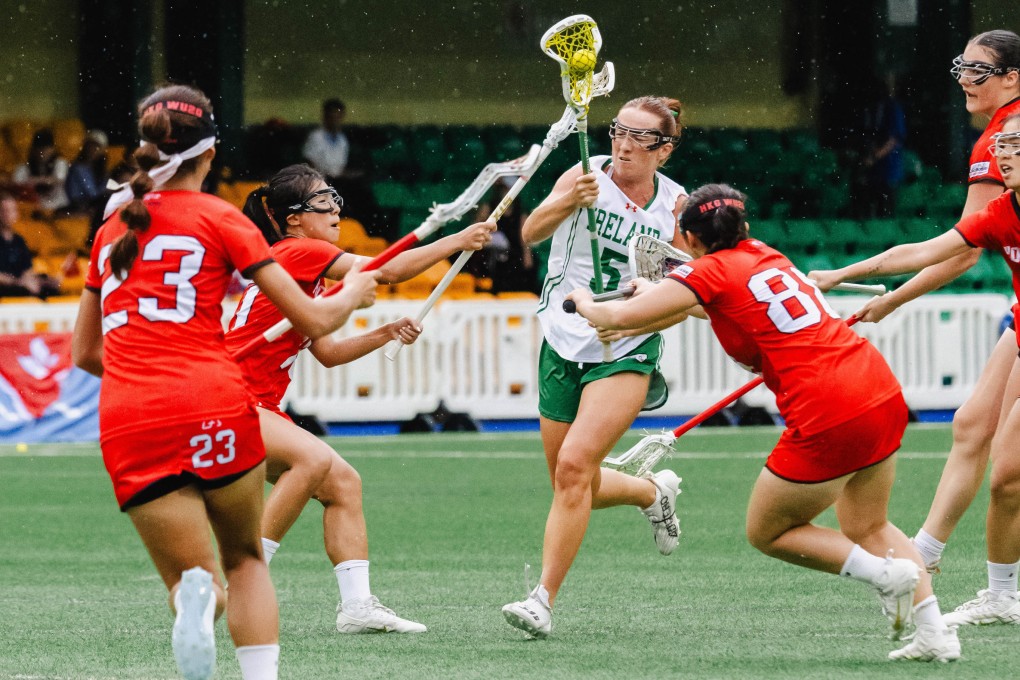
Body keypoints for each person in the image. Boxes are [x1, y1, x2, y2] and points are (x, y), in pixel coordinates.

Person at [569, 183, 960, 661]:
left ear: (690, 238)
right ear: (743, 227)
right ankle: (934, 631)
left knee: (768, 531)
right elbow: (716, 300)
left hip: (826, 407)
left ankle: (885, 576)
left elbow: (619, 318)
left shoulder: (706, 270)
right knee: (869, 522)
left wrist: (583, 300)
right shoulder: (762, 253)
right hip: (876, 388)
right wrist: (660, 293)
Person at [71, 85, 379, 680]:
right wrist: (356, 293)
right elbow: (314, 318)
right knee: (245, 563)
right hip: (212, 399)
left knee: (196, 574)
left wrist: (147, 375)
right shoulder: (220, 218)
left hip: (131, 412)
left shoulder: (112, 231)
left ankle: (198, 600)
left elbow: (85, 352)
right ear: (210, 155)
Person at [225, 163, 496, 634]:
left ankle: (357, 608)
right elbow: (385, 270)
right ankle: (245, 578)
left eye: (334, 198)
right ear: (293, 218)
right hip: (233, 399)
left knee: (343, 484)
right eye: (323, 202)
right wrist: (455, 240)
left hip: (257, 405)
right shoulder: (298, 252)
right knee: (309, 461)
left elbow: (326, 352)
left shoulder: (304, 274)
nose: (335, 211)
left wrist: (385, 332)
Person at [811, 112, 1020, 628]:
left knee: (1009, 471)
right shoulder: (1001, 213)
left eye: (1017, 145)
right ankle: (1000, 594)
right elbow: (923, 251)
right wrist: (843, 273)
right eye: (1003, 146)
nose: (1004, 154)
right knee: (1007, 476)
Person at [500, 96, 686, 638]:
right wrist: (568, 202)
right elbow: (531, 232)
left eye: (640, 138)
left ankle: (542, 600)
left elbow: (687, 287)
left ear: (665, 150)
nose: (624, 145)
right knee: (567, 480)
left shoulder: (673, 206)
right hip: (563, 337)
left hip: (626, 345)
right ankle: (652, 493)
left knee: (576, 468)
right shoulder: (582, 175)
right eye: (618, 132)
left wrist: (636, 313)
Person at [0, 191, 60, 299]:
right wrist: (18, 282)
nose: (8, 215)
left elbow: (27, 268)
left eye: (12, 210)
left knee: (51, 287)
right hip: (7, 287)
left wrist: (41, 281)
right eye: (5, 211)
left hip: (19, 283)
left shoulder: (19, 241)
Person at [12, 128, 70, 216]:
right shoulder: (25, 167)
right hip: (35, 209)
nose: (42, 152)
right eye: (39, 149)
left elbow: (59, 179)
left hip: (59, 207)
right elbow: (16, 182)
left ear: (53, 149)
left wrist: (35, 180)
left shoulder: (60, 163)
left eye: (46, 149)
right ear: (33, 150)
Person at [65, 129, 109, 214]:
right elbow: (92, 193)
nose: (93, 150)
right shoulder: (78, 167)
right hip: (79, 204)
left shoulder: (100, 169)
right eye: (90, 146)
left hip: (91, 204)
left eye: (97, 147)